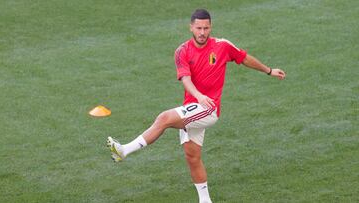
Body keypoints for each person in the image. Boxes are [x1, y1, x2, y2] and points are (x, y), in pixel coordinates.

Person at [106, 9, 286, 203]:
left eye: (206, 28)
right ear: (191, 27)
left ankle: (124, 151)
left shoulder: (222, 46)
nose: (202, 32)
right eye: (199, 28)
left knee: (164, 118)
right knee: (192, 157)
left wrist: (269, 71)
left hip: (210, 108)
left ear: (211, 27)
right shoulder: (182, 51)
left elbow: (244, 58)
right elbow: (185, 79)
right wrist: (198, 96)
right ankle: (205, 200)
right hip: (193, 107)